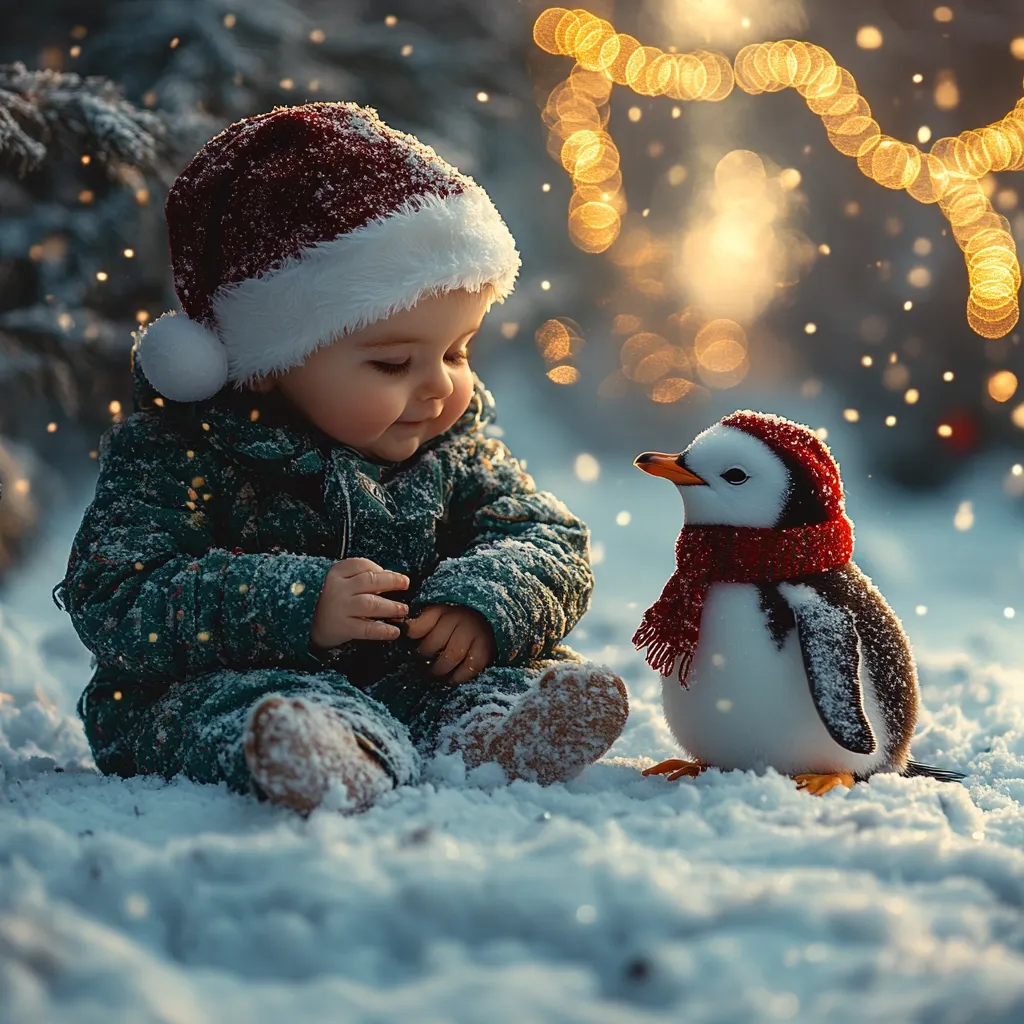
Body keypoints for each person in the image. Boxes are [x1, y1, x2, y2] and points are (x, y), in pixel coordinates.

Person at [54, 102, 628, 814]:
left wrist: (485, 604)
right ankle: (318, 751)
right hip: (234, 679)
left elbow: (547, 536)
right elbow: (117, 594)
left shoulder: (453, 443)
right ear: (271, 363)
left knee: (491, 681)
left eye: (457, 351)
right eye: (393, 363)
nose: (441, 386)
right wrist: (296, 603)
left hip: (409, 673)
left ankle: (490, 733)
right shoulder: (184, 450)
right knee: (227, 708)